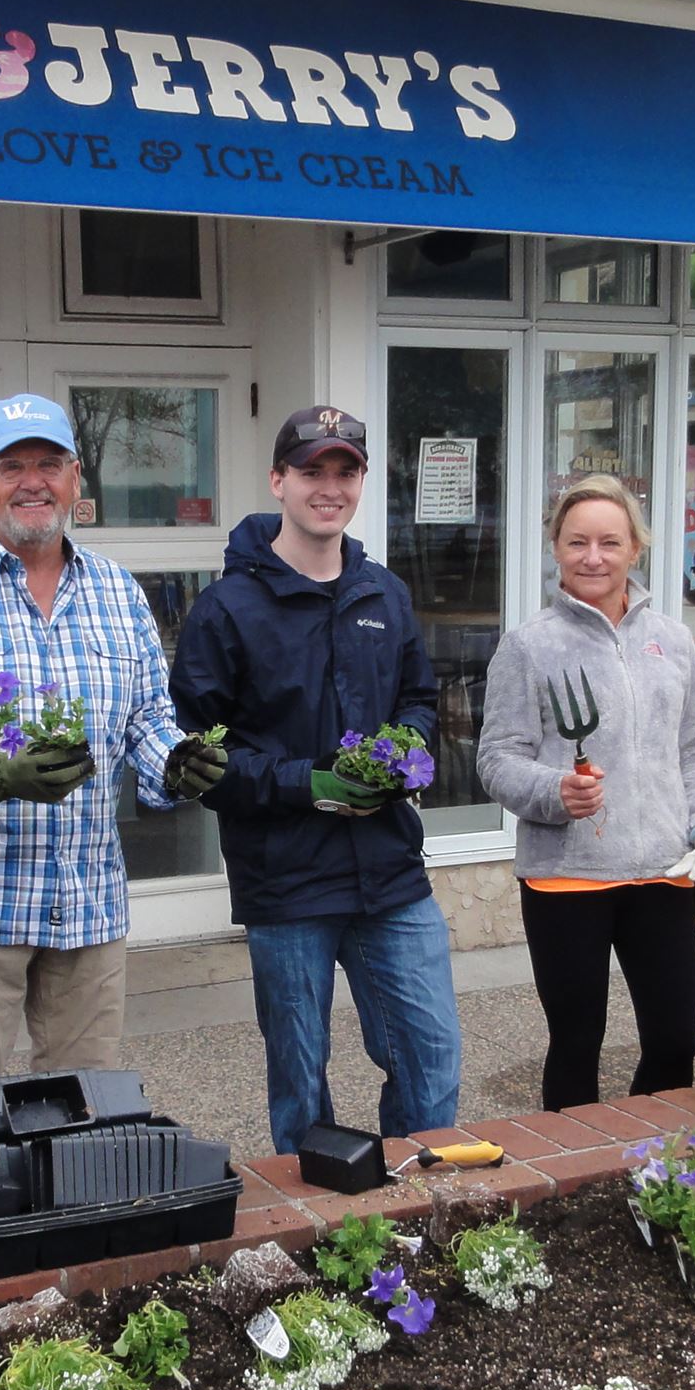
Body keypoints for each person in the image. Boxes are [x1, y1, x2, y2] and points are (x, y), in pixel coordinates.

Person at [0, 394, 227, 1154]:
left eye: (48, 464)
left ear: (75, 480)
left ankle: (70, 1268)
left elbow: (145, 718)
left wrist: (176, 762)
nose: (31, 482)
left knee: (89, 1121)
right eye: (11, 466)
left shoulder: (116, 592)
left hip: (88, 901)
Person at [171, 405, 463, 1158]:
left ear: (362, 481)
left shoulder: (384, 595)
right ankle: (322, 1236)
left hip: (390, 874)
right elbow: (204, 758)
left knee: (430, 1063)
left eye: (345, 471)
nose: (328, 487)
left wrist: (403, 757)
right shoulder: (225, 610)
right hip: (288, 881)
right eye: (311, 471)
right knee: (301, 1084)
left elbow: (419, 701)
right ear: (279, 480)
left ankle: (419, 1215)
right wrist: (312, 784)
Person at [477, 476, 695, 1107]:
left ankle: (647, 1163)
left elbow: (694, 747)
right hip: (567, 877)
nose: (594, 557)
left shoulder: (674, 640)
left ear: (637, 547)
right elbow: (496, 759)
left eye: (610, 541)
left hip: (663, 873)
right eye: (577, 542)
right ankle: (572, 1177)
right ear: (556, 548)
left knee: (674, 1039)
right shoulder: (529, 646)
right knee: (577, 1042)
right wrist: (555, 791)